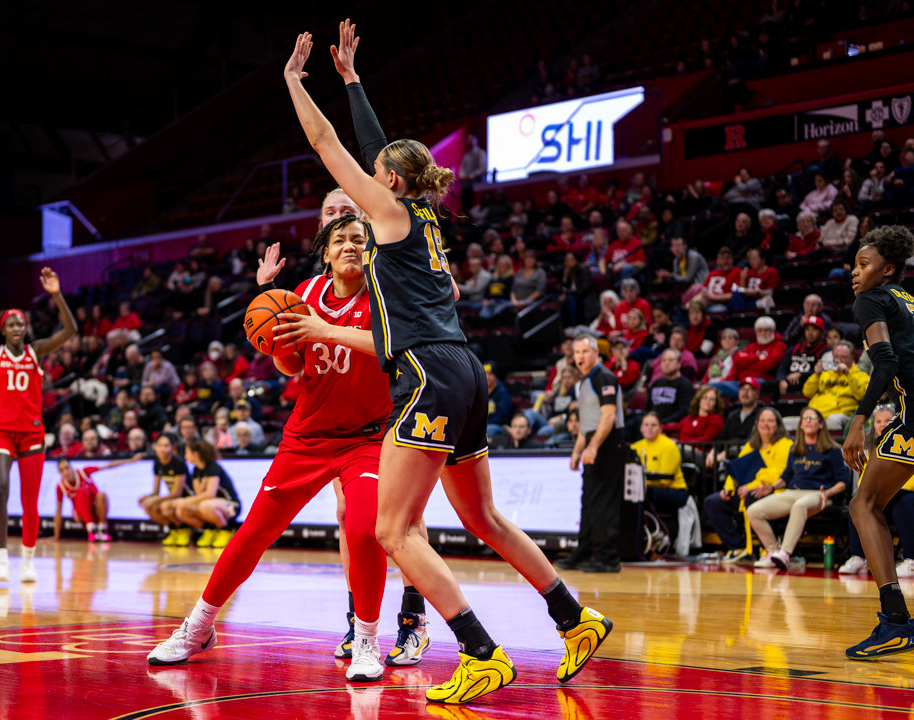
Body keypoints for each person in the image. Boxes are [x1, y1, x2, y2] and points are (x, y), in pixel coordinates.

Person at [264, 29, 610, 702]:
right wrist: (353, 80)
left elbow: (327, 144)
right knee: (484, 519)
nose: (366, 180)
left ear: (388, 182)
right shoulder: (419, 214)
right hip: (465, 372)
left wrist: (294, 83)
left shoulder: (387, 210)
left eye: (376, 174)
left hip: (425, 374)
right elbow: (378, 149)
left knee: (392, 529)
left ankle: (480, 652)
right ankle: (575, 617)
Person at [148, 213, 417, 681]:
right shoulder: (304, 295)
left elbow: (389, 347)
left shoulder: (384, 292)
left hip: (368, 437)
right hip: (307, 438)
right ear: (326, 253)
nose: (351, 246)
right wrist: (271, 326)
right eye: (341, 240)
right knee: (253, 531)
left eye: (359, 239)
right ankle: (198, 626)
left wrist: (323, 331)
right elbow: (292, 366)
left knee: (361, 530)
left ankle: (367, 640)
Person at [0, 249, 76, 583]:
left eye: (21, 323)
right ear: (2, 330)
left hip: (31, 434)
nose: (17, 327)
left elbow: (70, 329)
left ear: (25, 329)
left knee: (30, 501)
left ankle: (27, 560)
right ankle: (2, 560)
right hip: (0, 432)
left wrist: (56, 294)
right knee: (0, 490)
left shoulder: (36, 351)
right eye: (11, 324)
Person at [842, 226, 914, 659]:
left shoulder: (871, 299)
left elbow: (884, 360)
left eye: (863, 264)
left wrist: (859, 420)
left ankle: (896, 622)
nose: (855, 272)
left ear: (887, 269)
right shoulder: (909, 299)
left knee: (864, 504)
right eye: (854, 264)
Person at [558, 335, 627, 574]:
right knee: (588, 501)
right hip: (591, 441)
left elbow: (608, 416)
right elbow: (586, 423)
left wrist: (594, 446)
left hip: (609, 444)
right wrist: (578, 450)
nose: (580, 356)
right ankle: (584, 551)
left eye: (585, 351)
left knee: (603, 502)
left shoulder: (604, 377)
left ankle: (608, 558)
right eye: (577, 352)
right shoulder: (583, 382)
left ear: (596, 353)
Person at [746, 407, 847, 570]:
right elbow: (786, 477)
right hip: (793, 492)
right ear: (800, 425)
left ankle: (785, 554)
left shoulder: (832, 450)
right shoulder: (795, 449)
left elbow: (843, 482)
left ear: (821, 424)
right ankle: (773, 553)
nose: (807, 421)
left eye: (812, 418)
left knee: (799, 506)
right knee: (753, 511)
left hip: (819, 494)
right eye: (804, 418)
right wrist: (771, 488)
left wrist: (827, 493)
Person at [701, 407, 792, 563]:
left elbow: (778, 473)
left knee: (753, 496)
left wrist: (750, 486)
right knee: (713, 502)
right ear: (757, 424)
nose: (766, 424)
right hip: (746, 492)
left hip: (772, 493)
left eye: (770, 421)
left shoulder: (785, 444)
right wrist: (728, 488)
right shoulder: (751, 446)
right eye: (762, 421)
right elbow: (737, 468)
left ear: (778, 425)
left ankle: (768, 548)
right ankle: (737, 546)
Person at [839, 406, 914, 578]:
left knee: (905, 502)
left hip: (904, 495)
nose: (882, 425)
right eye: (878, 421)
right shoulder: (868, 448)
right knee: (859, 504)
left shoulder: (908, 442)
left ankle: (911, 560)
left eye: (887, 421)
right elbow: (864, 483)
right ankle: (858, 558)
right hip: (882, 497)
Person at [632, 412, 699, 558]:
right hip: (649, 489)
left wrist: (642, 483)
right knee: (632, 495)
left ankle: (658, 533)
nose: (649, 428)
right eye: (646, 425)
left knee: (645, 493)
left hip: (676, 492)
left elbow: (665, 480)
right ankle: (637, 536)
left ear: (661, 428)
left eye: (653, 425)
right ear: (641, 428)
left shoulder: (669, 446)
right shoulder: (636, 447)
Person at [161, 439, 241, 548]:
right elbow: (199, 494)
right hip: (212, 504)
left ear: (195, 454)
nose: (185, 456)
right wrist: (183, 502)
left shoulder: (213, 468)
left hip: (231, 506)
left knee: (203, 505)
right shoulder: (196, 470)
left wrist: (184, 500)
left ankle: (226, 530)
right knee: (181, 509)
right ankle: (209, 530)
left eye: (187, 453)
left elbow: (209, 495)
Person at [54, 454, 144, 543]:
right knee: (81, 491)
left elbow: (108, 466)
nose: (66, 472)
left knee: (101, 495)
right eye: (62, 470)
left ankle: (102, 528)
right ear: (60, 473)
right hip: (81, 516)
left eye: (67, 468)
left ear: (71, 467)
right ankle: (91, 529)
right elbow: (58, 511)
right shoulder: (61, 486)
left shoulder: (83, 472)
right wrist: (56, 536)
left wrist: (130, 460)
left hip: (96, 510)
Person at [800, 341, 869, 432]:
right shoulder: (824, 373)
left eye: (843, 357)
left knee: (832, 420)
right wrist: (816, 375)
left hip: (840, 415)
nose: (838, 361)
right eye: (836, 356)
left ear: (852, 358)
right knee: (787, 422)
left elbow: (862, 396)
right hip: (816, 414)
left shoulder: (861, 376)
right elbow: (807, 393)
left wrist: (848, 374)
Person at [139, 434, 191, 546]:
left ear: (173, 447)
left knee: (164, 506)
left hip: (187, 497)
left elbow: (177, 493)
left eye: (166, 445)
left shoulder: (179, 462)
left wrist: (156, 500)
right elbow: (156, 492)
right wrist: (146, 497)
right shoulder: (157, 463)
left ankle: (184, 529)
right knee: (147, 505)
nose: (162, 449)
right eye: (159, 445)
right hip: (173, 498)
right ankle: (173, 529)